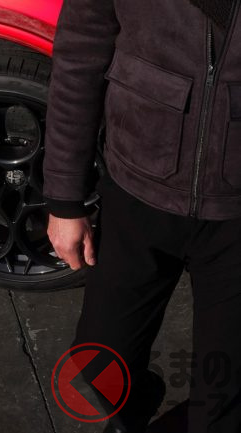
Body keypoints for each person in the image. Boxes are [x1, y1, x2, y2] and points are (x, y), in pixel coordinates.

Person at [42, 0, 241, 432]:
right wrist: (64, 199)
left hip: (235, 220)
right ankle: (133, 412)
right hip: (135, 190)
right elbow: (80, 54)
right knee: (99, 361)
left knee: (222, 402)